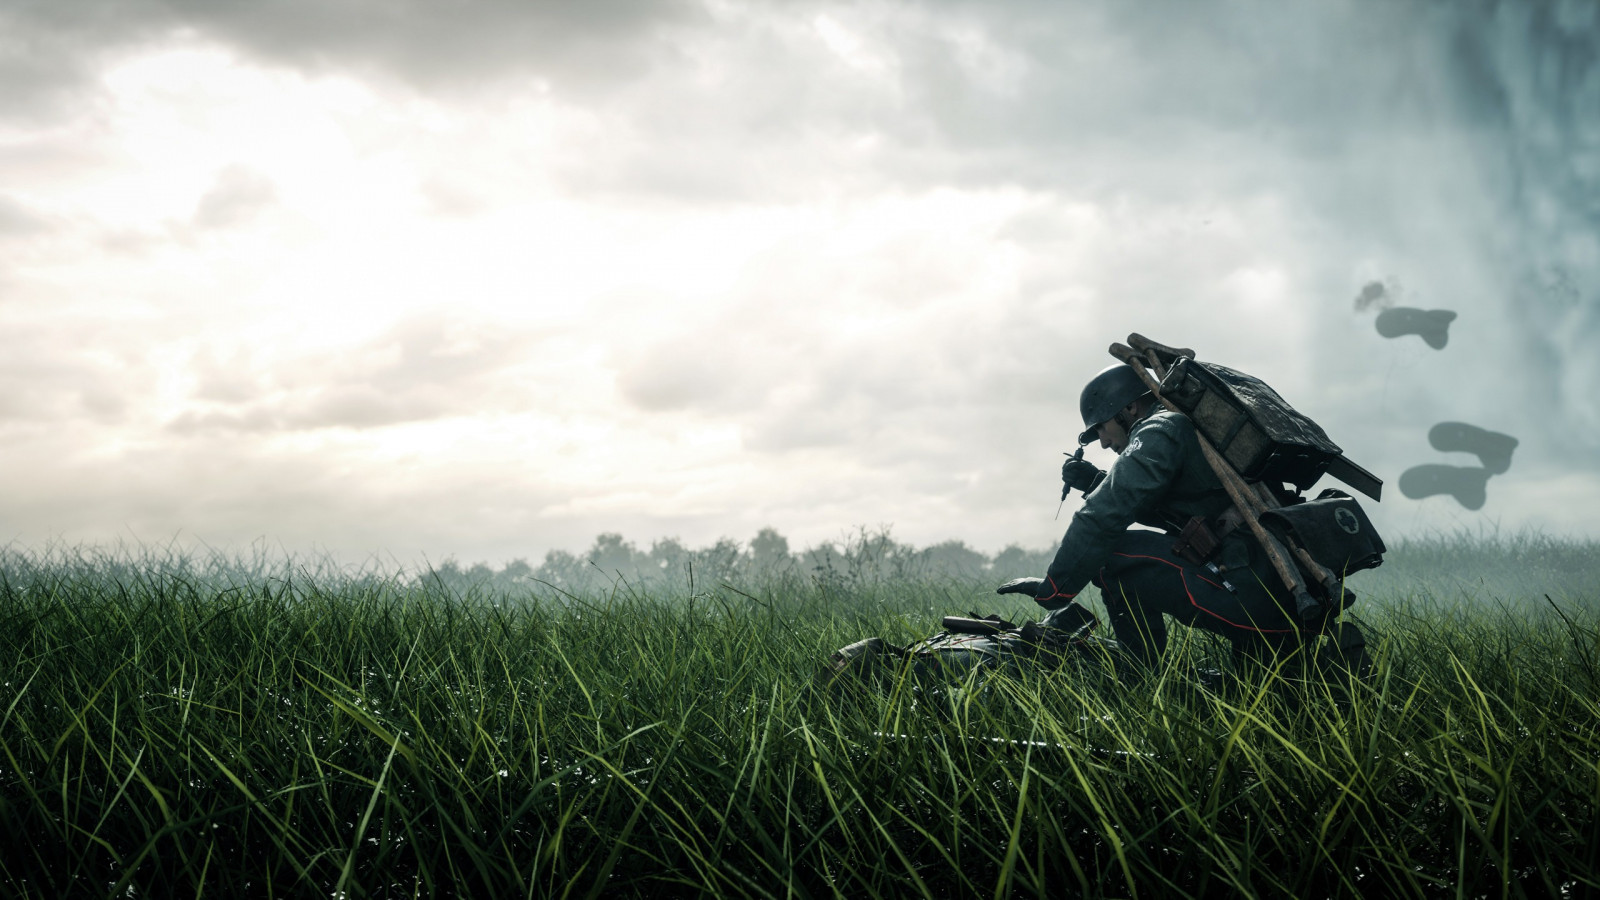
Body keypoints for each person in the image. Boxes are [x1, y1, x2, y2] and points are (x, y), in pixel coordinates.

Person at [997, 363, 1299, 669]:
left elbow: (1101, 517)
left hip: (1255, 590)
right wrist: (1095, 483)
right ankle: (1142, 671)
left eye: (1101, 426)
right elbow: (1174, 518)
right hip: (1270, 588)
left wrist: (1054, 589)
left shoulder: (1161, 427)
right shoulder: (1183, 426)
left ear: (1128, 407)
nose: (1102, 441)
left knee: (1110, 553)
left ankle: (1138, 673)